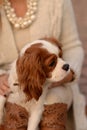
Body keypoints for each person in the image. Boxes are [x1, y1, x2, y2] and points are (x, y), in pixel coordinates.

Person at [0, 0, 86, 130]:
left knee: (52, 104)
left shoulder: (57, 2)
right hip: (9, 85)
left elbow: (73, 46)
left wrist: (70, 74)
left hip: (56, 84)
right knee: (15, 111)